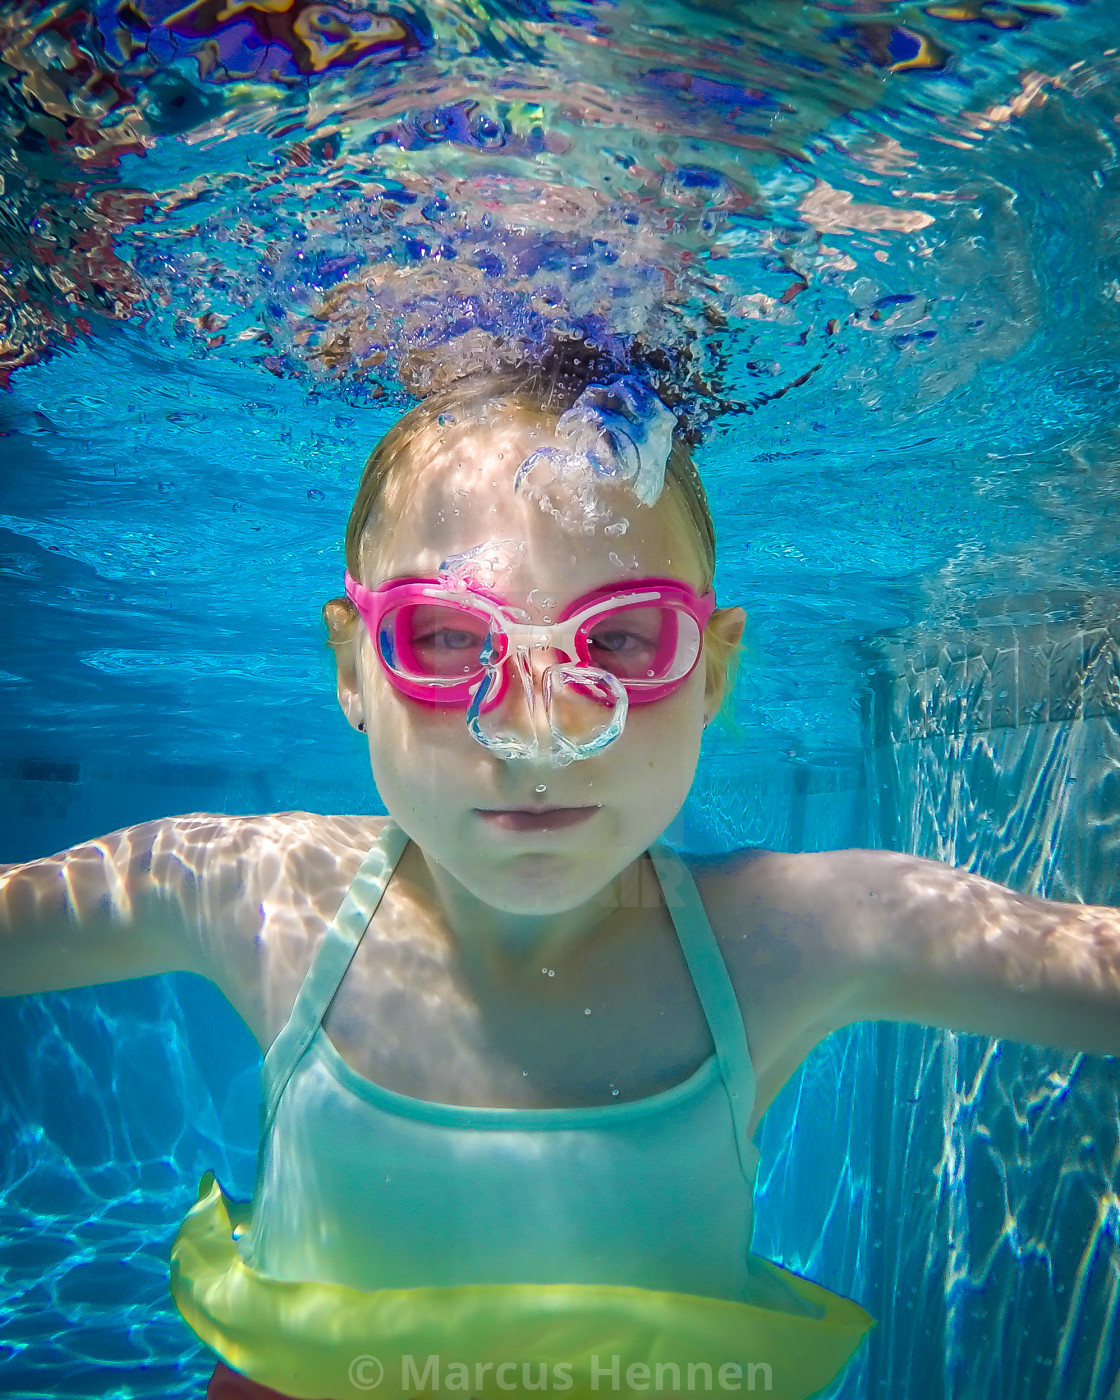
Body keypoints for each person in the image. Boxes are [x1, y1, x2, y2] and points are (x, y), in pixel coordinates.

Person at [2, 368, 1118, 1400]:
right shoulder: (245, 889)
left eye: (624, 639)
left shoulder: (791, 934)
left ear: (712, 673)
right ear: (353, 668)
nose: (538, 731)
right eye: (443, 638)